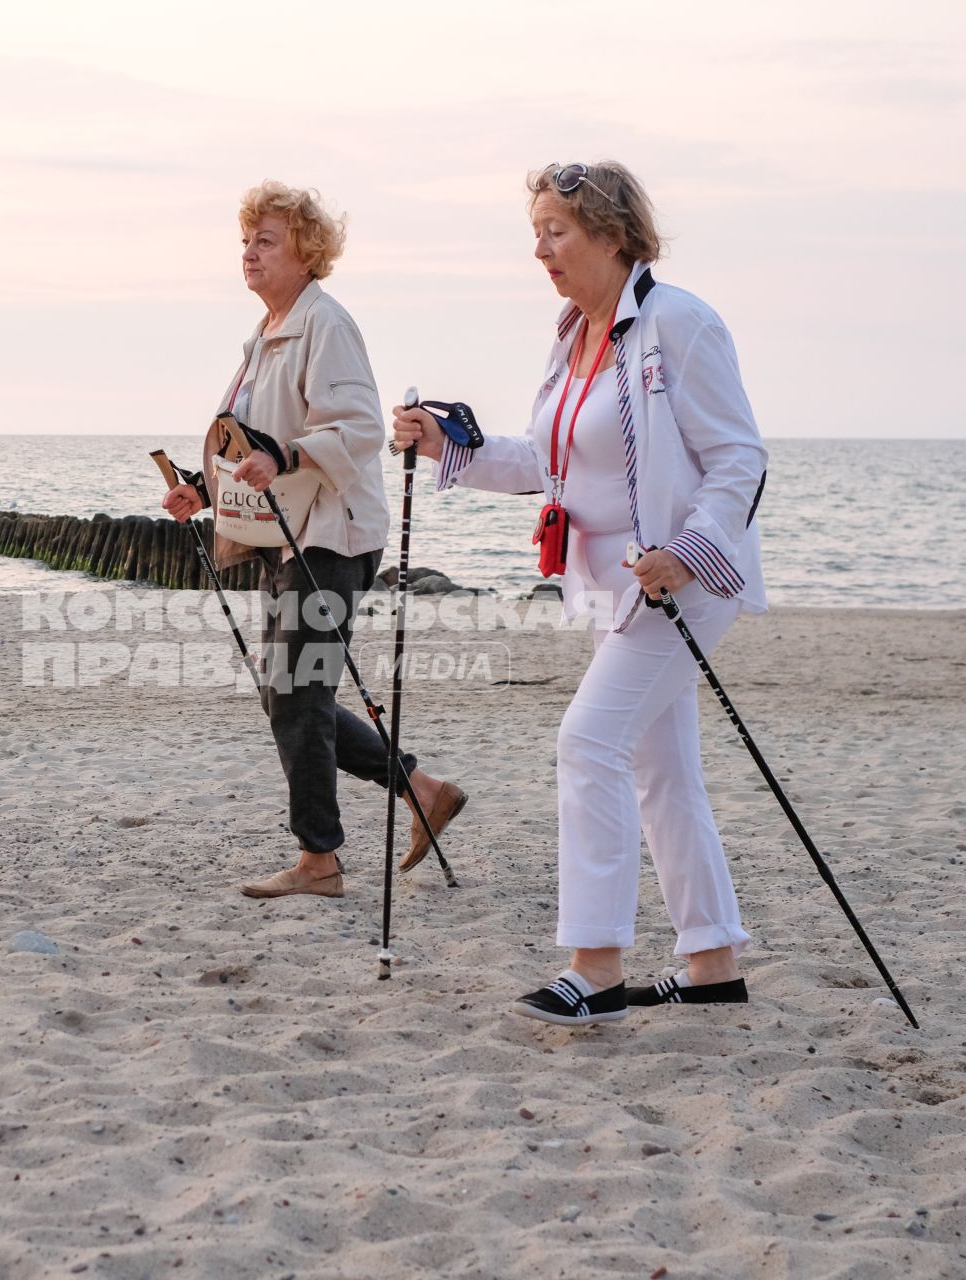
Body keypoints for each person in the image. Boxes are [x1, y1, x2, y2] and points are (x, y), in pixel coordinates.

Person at [392, 161, 768, 1024]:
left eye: (556, 233)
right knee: (661, 771)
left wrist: (688, 551)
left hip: (682, 584)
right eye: (537, 234)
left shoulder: (680, 324)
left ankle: (595, 968)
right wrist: (444, 446)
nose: (541, 252)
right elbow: (545, 461)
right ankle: (713, 963)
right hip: (609, 588)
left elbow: (739, 458)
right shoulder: (575, 336)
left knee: (586, 743)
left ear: (612, 234)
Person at [163, 181, 466, 899]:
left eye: (266, 241)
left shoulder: (325, 325)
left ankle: (319, 861)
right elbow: (248, 447)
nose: (249, 254)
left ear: (306, 252)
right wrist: (203, 492)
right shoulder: (263, 340)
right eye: (246, 241)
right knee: (291, 692)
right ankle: (422, 790)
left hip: (332, 536)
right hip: (282, 535)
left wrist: (291, 457)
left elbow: (358, 428)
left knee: (294, 692)